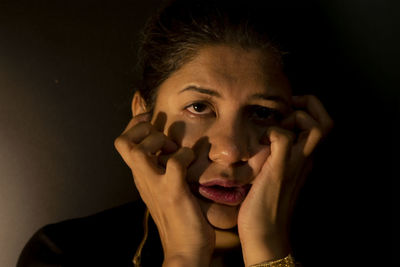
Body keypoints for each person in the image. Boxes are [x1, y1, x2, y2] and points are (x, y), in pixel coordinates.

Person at [18, 0, 333, 266]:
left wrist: (268, 248)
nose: (231, 151)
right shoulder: (62, 253)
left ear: (296, 130)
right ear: (144, 113)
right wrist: (184, 257)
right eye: (198, 107)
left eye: (262, 113)